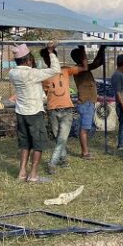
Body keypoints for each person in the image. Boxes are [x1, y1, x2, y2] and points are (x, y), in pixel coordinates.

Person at [8, 42, 61, 182]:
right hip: (34, 113)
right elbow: (56, 69)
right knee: (38, 143)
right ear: (28, 60)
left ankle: (22, 173)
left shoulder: (12, 73)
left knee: (25, 143)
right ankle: (33, 174)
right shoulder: (32, 73)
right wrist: (51, 52)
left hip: (21, 113)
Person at [40, 46, 87, 174]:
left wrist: (83, 50)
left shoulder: (65, 70)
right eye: (46, 58)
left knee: (61, 139)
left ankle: (52, 163)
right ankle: (64, 159)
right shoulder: (43, 75)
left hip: (67, 109)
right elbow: (46, 92)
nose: (49, 60)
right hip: (52, 110)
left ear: (55, 57)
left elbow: (84, 68)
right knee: (58, 138)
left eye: (50, 57)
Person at [70, 45, 106, 159]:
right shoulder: (78, 69)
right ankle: (85, 153)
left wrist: (102, 49)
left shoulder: (84, 67)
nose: (85, 57)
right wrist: (83, 50)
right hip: (85, 102)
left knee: (86, 128)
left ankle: (85, 151)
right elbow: (93, 64)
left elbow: (97, 63)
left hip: (88, 102)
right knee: (84, 128)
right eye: (83, 56)